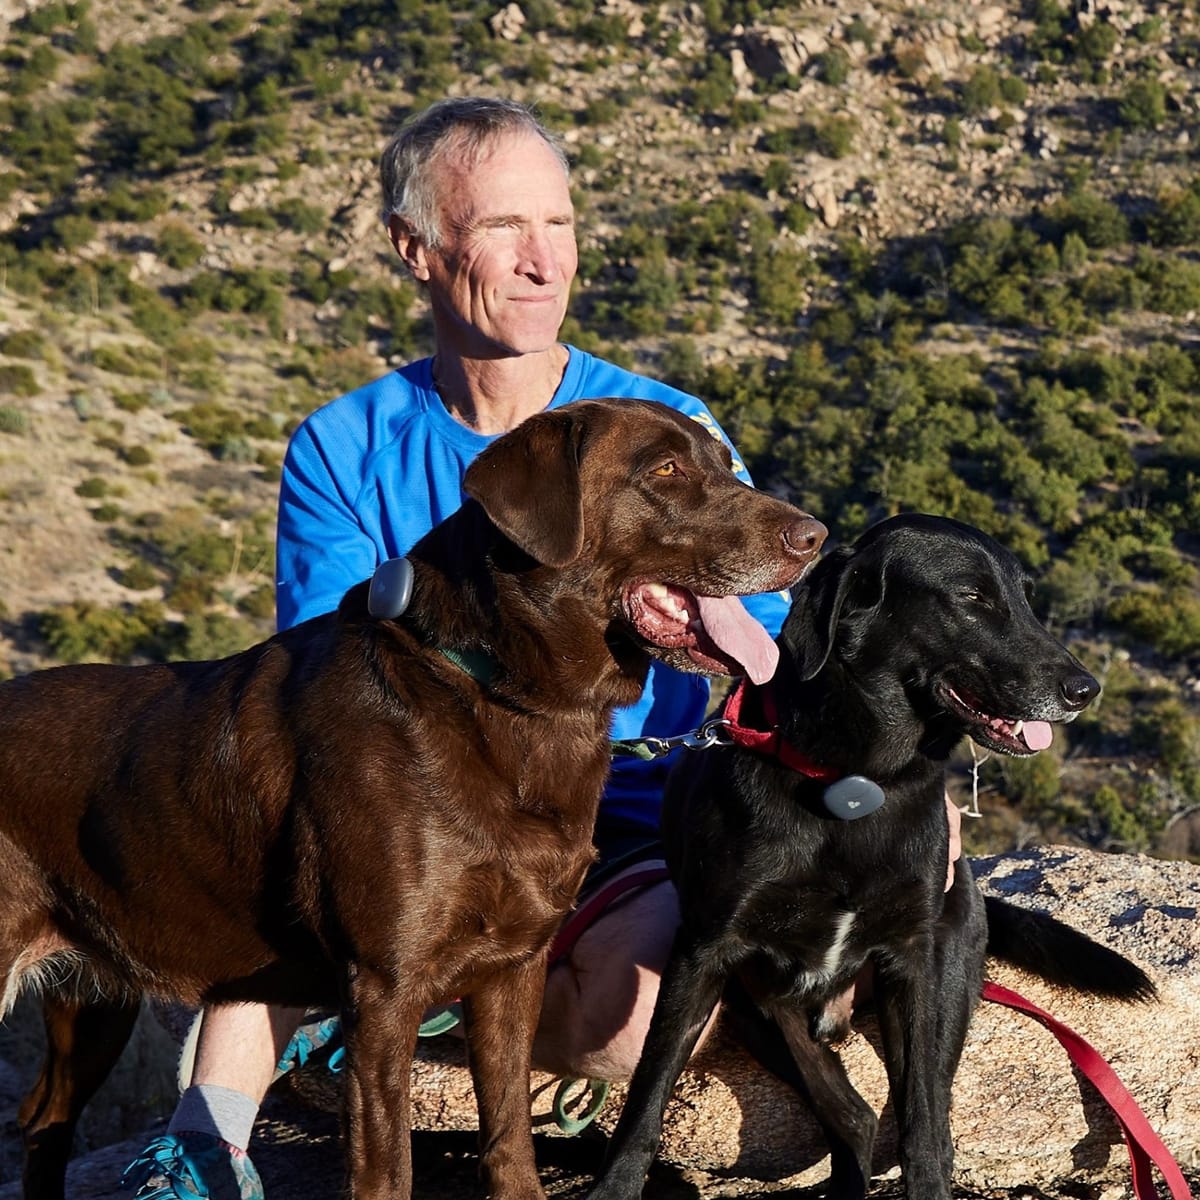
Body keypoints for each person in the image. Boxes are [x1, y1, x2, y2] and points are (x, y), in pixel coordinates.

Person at [123, 96, 961, 1200]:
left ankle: (447, 1039)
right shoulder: (345, 446)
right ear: (415, 250)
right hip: (414, 810)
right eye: (504, 228)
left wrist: (909, 789)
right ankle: (206, 1140)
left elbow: (772, 672)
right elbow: (318, 679)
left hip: (621, 812)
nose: (541, 261)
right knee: (315, 866)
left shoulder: (663, 430)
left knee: (634, 1007)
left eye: (558, 225)